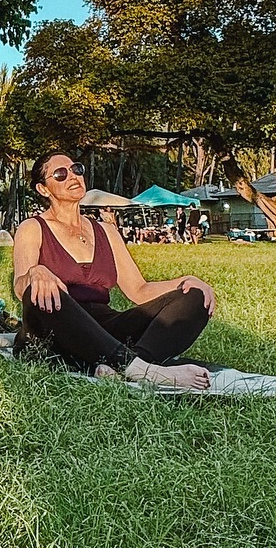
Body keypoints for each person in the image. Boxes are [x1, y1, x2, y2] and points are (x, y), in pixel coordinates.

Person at [12, 152, 217, 391]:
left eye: (76, 169)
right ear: (43, 189)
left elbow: (139, 290)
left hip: (104, 328)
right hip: (57, 327)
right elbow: (20, 287)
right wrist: (35, 273)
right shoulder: (33, 227)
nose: (72, 176)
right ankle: (138, 368)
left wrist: (185, 281)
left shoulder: (106, 231)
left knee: (196, 297)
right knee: (40, 292)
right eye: (60, 174)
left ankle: (129, 365)